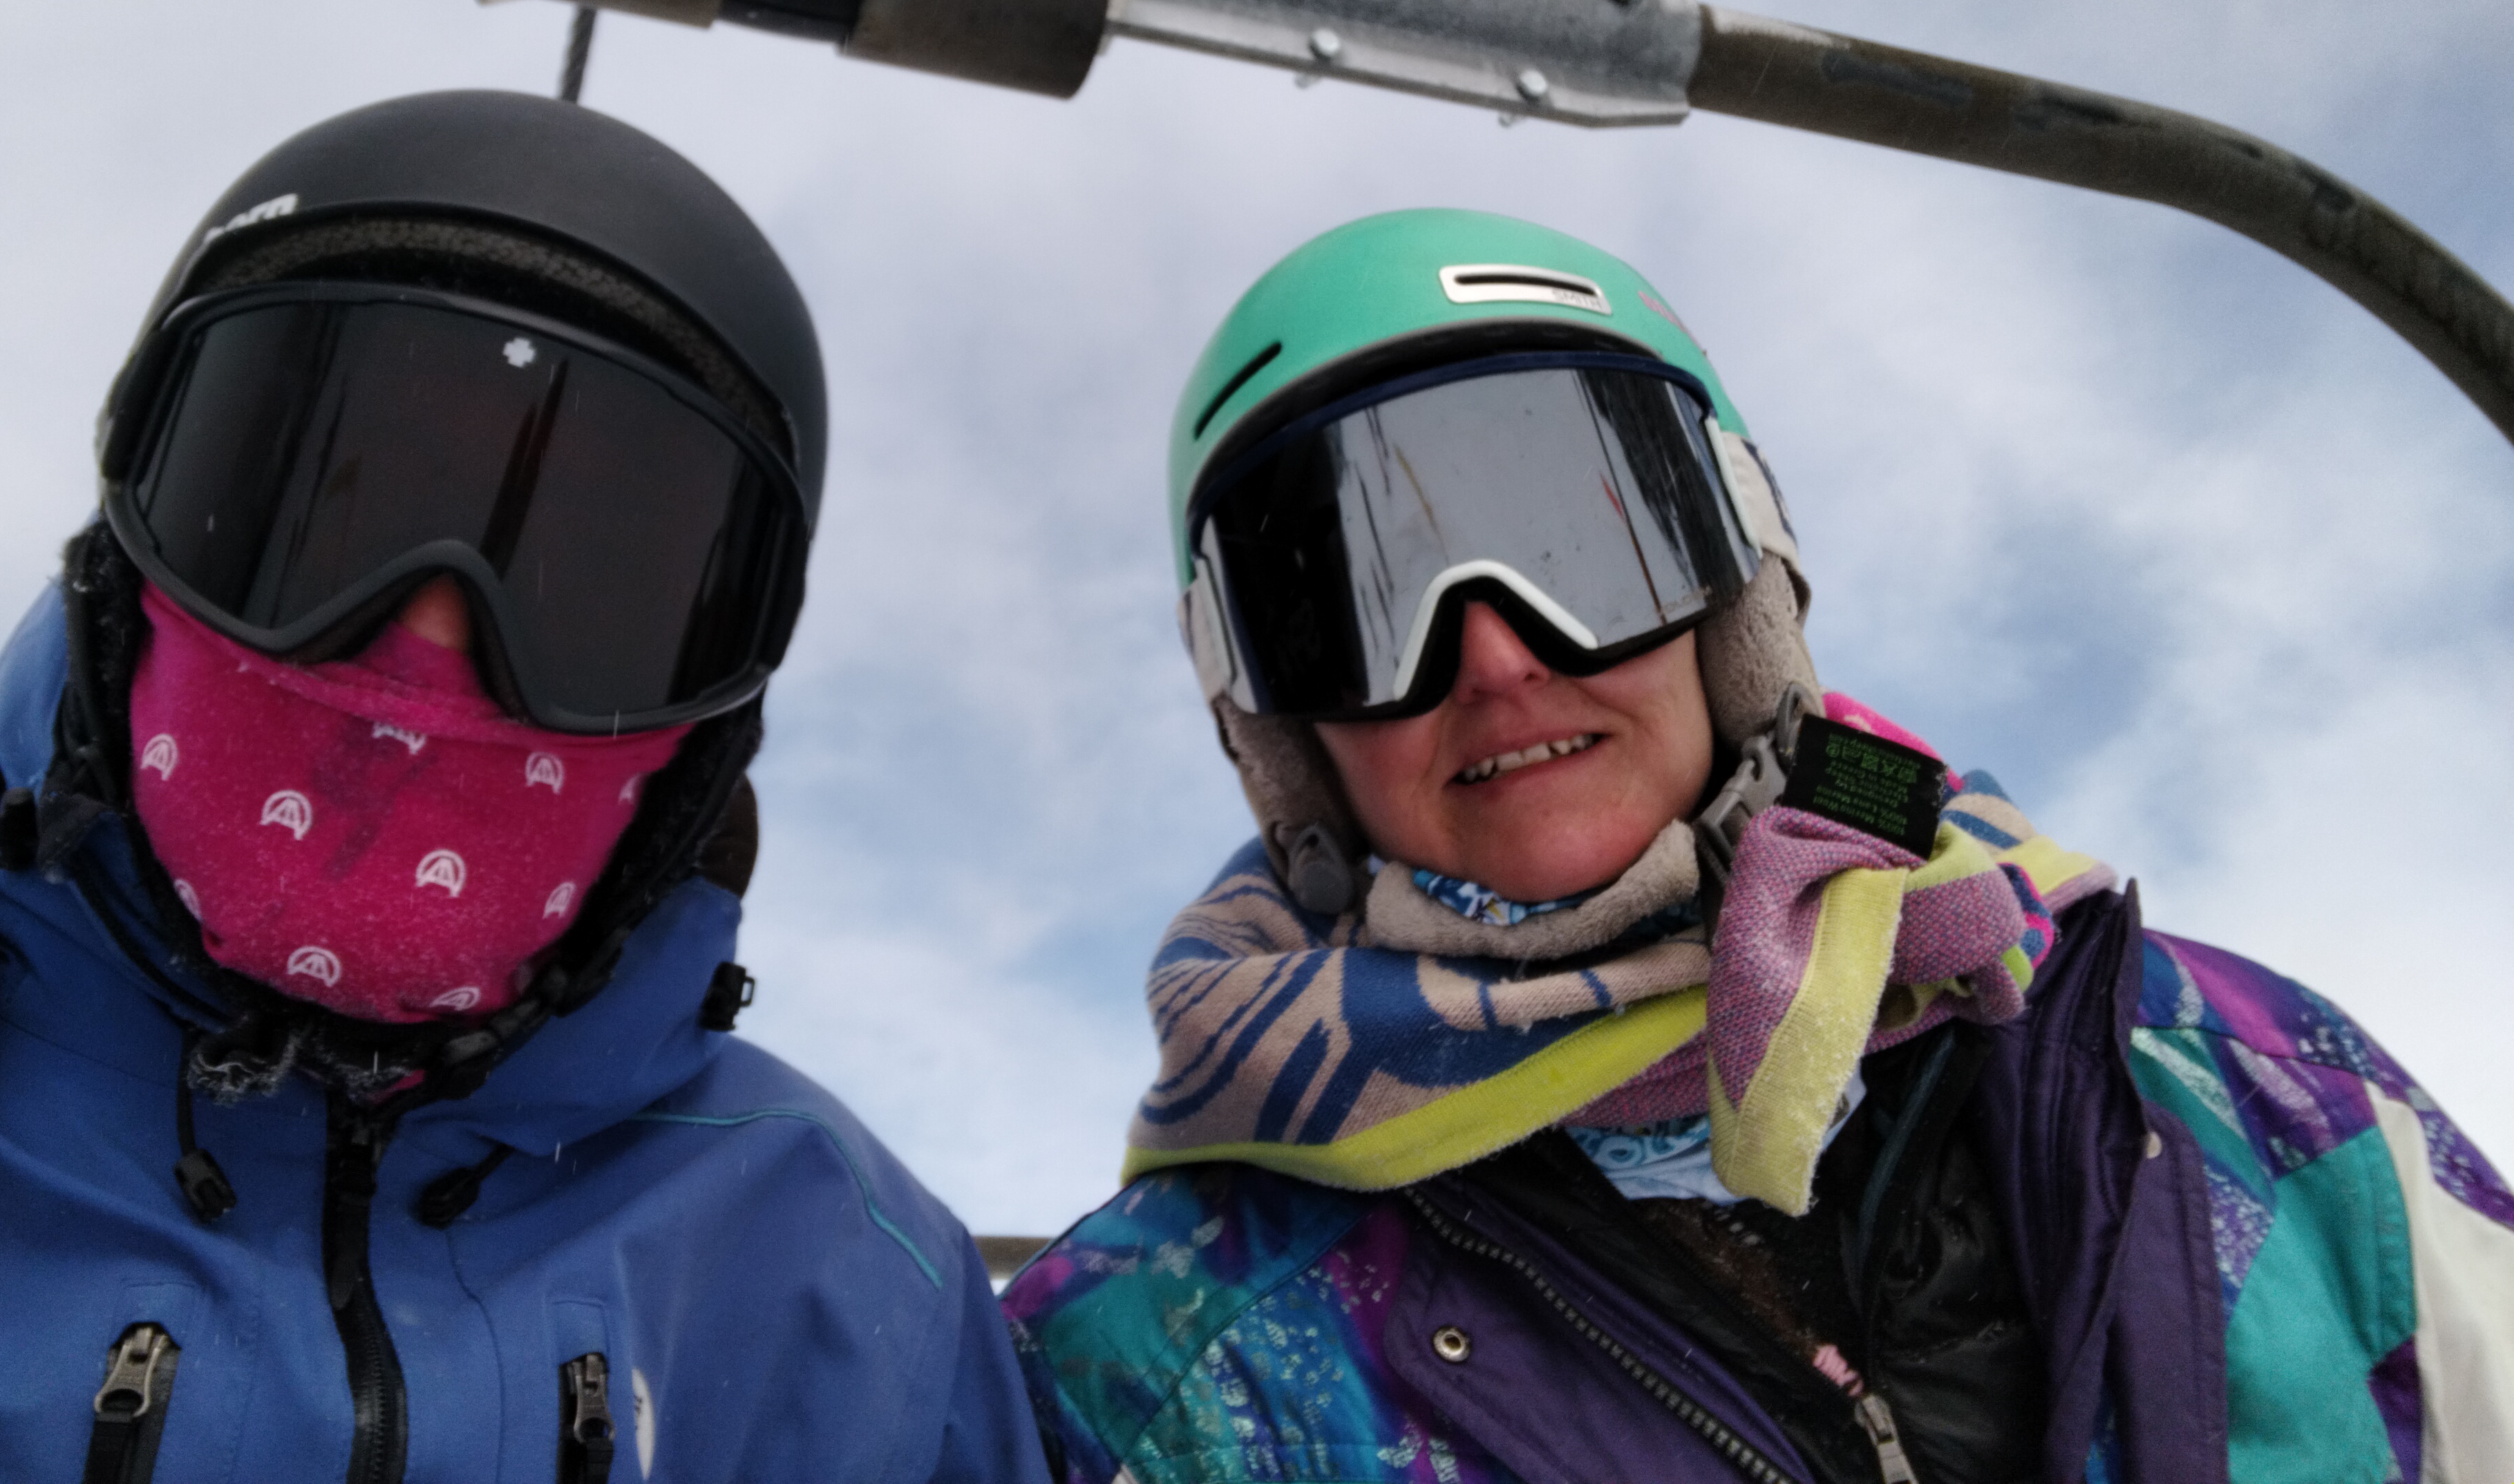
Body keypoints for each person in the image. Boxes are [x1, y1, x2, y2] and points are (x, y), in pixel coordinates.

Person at [0, 92, 1047, 1484]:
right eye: (327, 512)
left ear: (706, 724)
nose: (427, 644)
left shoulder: (850, 1299)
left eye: (588, 584)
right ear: (133, 565)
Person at [1004, 207, 2514, 1484]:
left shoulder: (2243, 1085)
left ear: (1739, 604)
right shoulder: (1152, 1374)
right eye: (1351, 608)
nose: (1498, 657)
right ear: (1282, 738)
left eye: (1588, 551)